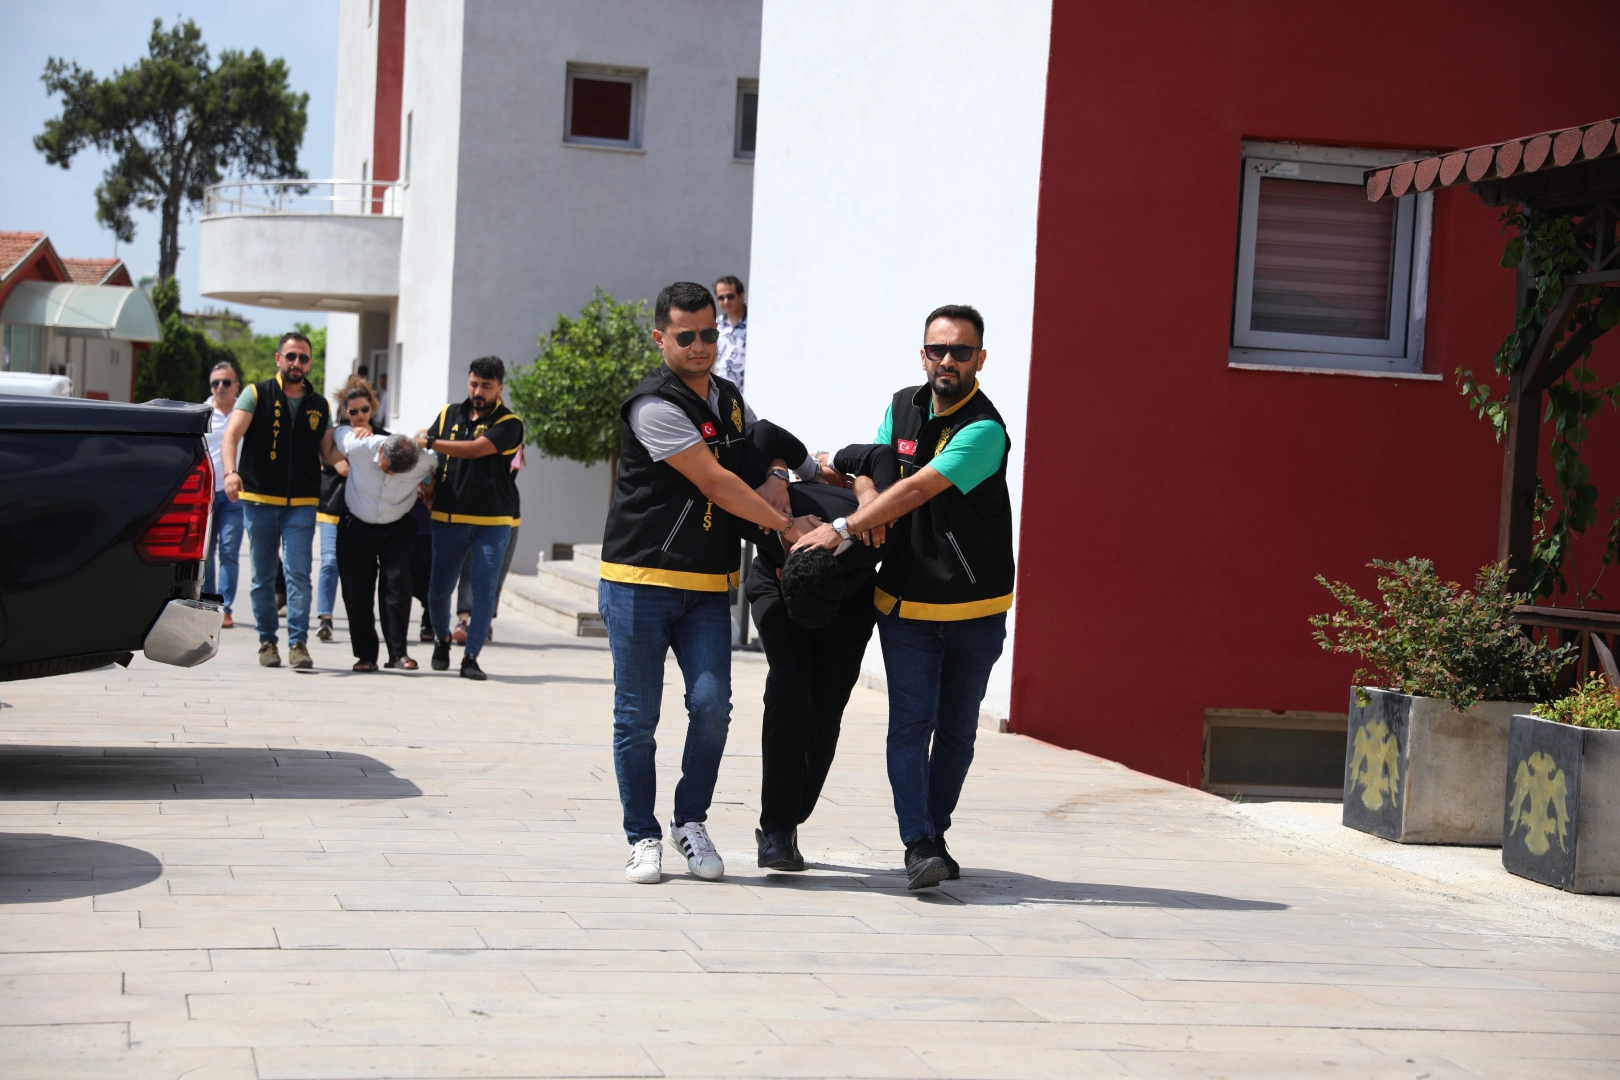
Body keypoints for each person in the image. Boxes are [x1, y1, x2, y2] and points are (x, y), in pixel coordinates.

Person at [598, 280, 814, 887]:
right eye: (686, 335)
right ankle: (641, 835)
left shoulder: (728, 397)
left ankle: (688, 821)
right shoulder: (653, 405)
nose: (700, 345)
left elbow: (751, 452)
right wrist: (786, 524)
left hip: (708, 585)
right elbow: (716, 482)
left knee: (712, 706)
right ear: (660, 337)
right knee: (638, 718)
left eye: (710, 333)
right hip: (641, 579)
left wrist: (775, 469)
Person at [795, 304, 1015, 890]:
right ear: (922, 354)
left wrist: (843, 528)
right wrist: (865, 491)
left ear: (980, 360)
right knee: (909, 726)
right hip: (905, 604)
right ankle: (918, 842)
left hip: (973, 609)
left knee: (958, 731)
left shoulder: (984, 430)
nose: (948, 360)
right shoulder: (902, 406)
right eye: (937, 350)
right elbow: (876, 463)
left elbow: (918, 487)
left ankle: (934, 831)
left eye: (961, 351)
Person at [741, 428, 899, 871]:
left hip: (848, 605)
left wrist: (853, 473)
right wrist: (780, 471)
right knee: (789, 689)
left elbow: (881, 453)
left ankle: (793, 814)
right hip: (774, 590)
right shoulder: (769, 515)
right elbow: (761, 433)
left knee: (826, 709)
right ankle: (776, 830)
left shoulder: (871, 534)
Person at [222, 332, 341, 670]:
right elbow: (232, 435)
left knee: (299, 574)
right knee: (262, 575)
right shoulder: (256, 393)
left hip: (302, 500)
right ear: (278, 359)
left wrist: (358, 438)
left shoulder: (320, 405)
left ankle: (298, 643)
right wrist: (231, 472)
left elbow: (329, 451)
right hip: (259, 498)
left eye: (303, 358)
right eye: (291, 356)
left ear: (310, 363)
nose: (296, 364)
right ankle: (267, 641)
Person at [416, 356, 524, 681]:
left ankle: (471, 656)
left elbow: (476, 449)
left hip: (493, 521)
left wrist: (430, 439)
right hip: (448, 516)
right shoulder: (449, 414)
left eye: (487, 387)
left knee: (483, 591)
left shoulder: (510, 423)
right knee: (438, 590)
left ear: (500, 388)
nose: (479, 391)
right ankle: (441, 638)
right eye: (474, 384)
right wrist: (426, 485)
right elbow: (430, 460)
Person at [334, 388, 437, 672]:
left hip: (397, 529)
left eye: (399, 472)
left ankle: (398, 653)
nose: (390, 473)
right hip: (356, 526)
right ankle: (366, 655)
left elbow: (441, 460)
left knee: (397, 587)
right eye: (387, 468)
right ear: (380, 450)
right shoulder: (358, 443)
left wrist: (429, 487)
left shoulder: (424, 459)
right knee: (357, 591)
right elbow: (332, 437)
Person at [203, 361, 244, 629]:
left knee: (229, 551)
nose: (220, 387)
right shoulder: (202, 413)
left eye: (225, 383)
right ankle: (209, 604)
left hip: (234, 495)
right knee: (206, 552)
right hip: (204, 494)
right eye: (215, 383)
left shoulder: (245, 412)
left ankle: (225, 607)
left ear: (236, 386)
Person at [713, 275, 747, 395]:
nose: (726, 301)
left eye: (730, 296)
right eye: (721, 297)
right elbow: (717, 359)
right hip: (724, 395)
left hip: (748, 394)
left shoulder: (754, 324)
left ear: (741, 295)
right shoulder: (717, 324)